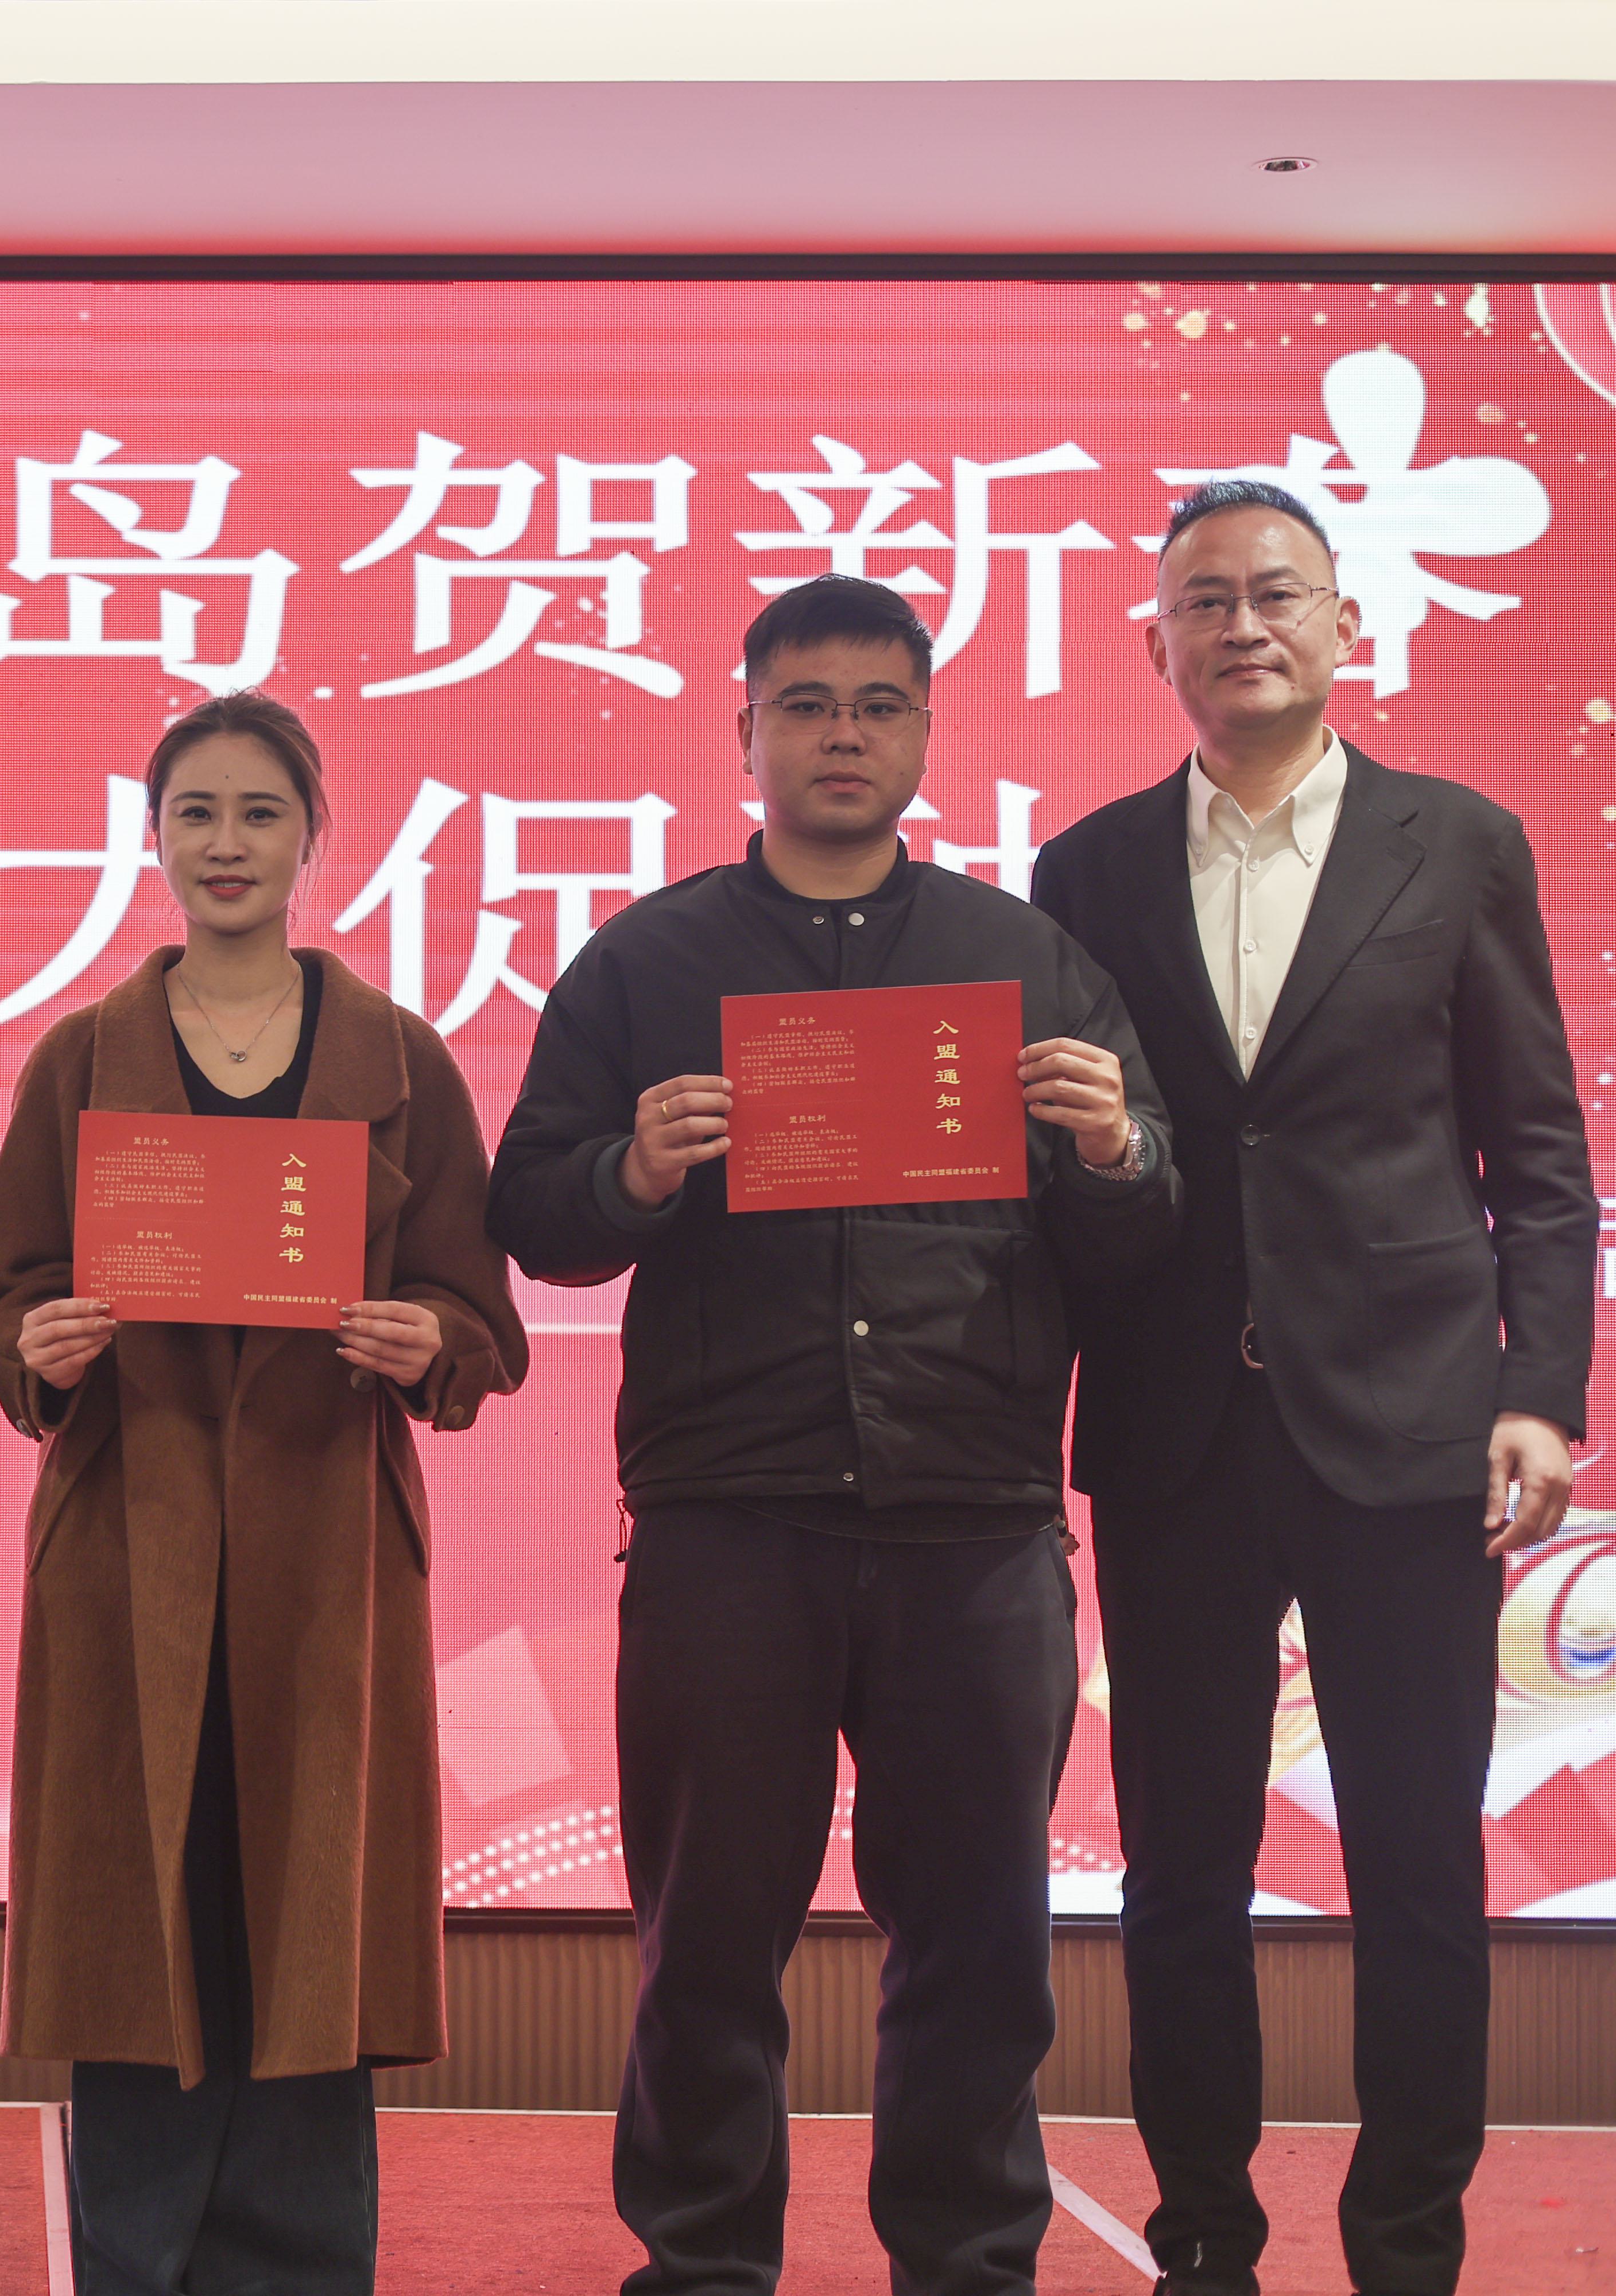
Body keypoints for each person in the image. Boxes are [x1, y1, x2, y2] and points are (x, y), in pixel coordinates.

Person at [489, 575, 1177, 2296]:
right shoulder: (649, 961)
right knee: (708, 1941)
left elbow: (1140, 1244)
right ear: (748, 732)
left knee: (980, 1946)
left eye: (879, 705)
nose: (843, 735)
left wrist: (1117, 1151)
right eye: (807, 705)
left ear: (925, 732)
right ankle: (703, 2265)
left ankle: (969, 2262)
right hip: (731, 1521)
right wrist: (632, 1171)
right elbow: (533, 1214)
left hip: (977, 1521)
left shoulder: (1023, 960)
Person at [1031, 480, 1595, 2296]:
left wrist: (1541, 1389)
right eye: (1205, 601)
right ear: (1159, 647)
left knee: (1421, 1865)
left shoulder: (1460, 843)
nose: (1244, 624)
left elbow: (1537, 1151)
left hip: (1413, 1428)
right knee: (1181, 1875)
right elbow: (1073, 1173)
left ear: (1349, 625)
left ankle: (1408, 2243)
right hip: (1178, 1432)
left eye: (1277, 593)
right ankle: (1204, 2231)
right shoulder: (1086, 871)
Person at [0, 691, 526, 2296]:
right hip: (127, 1540)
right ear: (153, 838)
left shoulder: (398, 1057)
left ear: (313, 837)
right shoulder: (78, 1059)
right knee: (137, 1922)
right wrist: (38, 1342)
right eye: (196, 813)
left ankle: (297, 2263)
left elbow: (481, 1320)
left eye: (260, 812)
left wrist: (431, 1338)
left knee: (307, 1922)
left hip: (325, 1542)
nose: (226, 844)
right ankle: (135, 2260)